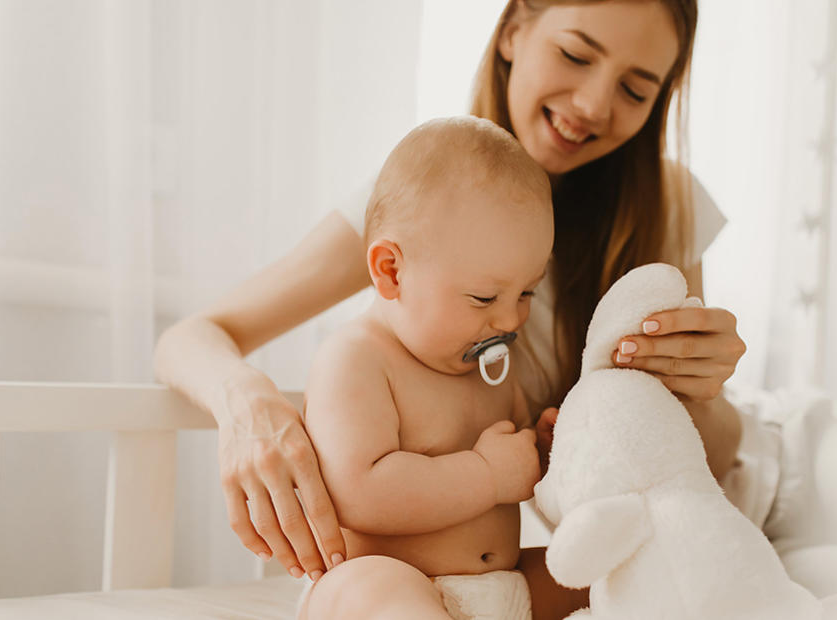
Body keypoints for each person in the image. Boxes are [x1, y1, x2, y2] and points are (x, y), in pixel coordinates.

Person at [154, 1, 750, 616]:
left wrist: (581, 439)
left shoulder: (663, 205)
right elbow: (194, 336)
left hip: (507, 575)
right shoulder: (419, 197)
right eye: (575, 55)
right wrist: (246, 402)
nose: (595, 105)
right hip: (393, 578)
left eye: (634, 88)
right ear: (515, 29)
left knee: (633, 573)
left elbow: (708, 454)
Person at [299, 115, 555, 619]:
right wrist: (486, 474)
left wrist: (543, 454)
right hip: (387, 587)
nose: (509, 318)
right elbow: (360, 493)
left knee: (605, 574)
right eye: (485, 296)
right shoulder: (357, 358)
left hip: (502, 588)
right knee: (373, 589)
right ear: (392, 271)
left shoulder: (492, 360)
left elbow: (518, 468)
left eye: (527, 292)